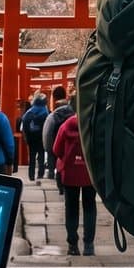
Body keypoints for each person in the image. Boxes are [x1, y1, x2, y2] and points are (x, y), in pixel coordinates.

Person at [53, 112, 97, 256]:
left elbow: (56, 149)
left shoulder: (66, 125)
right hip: (90, 173)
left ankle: (73, 245)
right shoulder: (93, 125)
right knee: (89, 207)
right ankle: (89, 245)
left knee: (71, 208)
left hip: (70, 173)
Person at [41, 85, 74, 182]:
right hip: (70, 147)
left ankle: (53, 176)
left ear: (54, 97)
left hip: (55, 146)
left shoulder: (53, 115)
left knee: (56, 167)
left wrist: (49, 148)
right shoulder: (73, 112)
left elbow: (47, 133)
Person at [19, 92, 51, 181]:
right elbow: (47, 127)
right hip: (41, 139)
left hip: (31, 139)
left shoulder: (28, 113)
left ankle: (31, 175)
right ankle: (40, 174)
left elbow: (24, 126)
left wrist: (26, 138)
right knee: (41, 156)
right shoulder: (45, 113)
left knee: (32, 157)